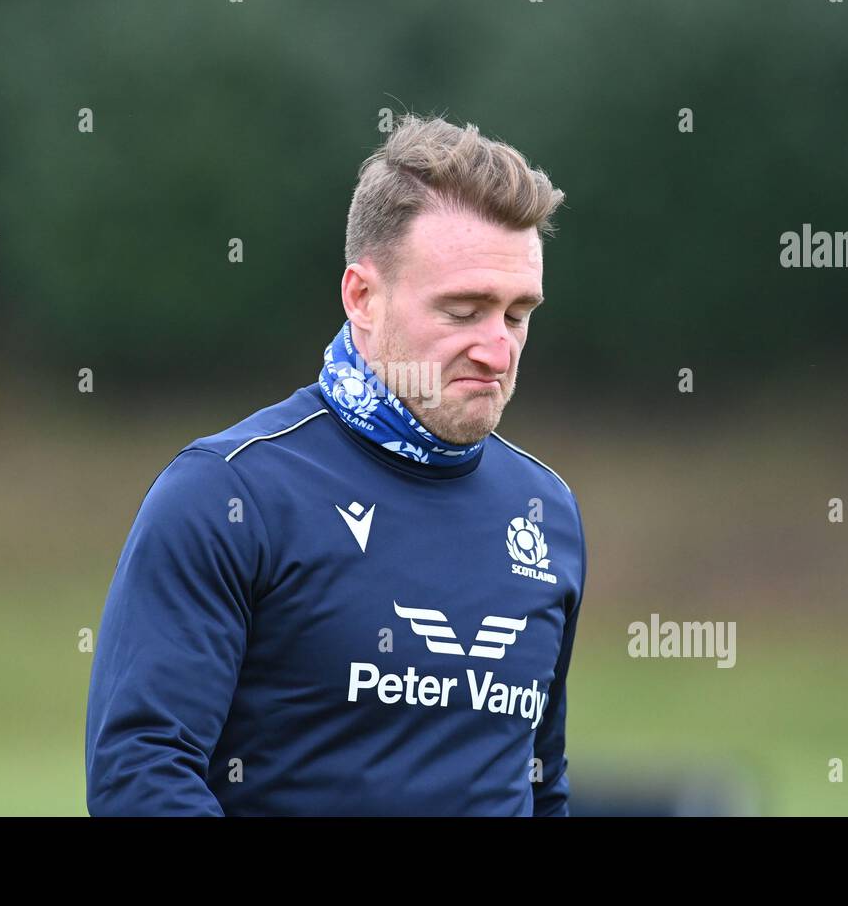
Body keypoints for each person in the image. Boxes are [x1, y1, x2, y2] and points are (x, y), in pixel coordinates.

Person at [85, 114, 586, 815]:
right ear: (362, 297)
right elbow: (141, 776)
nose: (497, 351)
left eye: (516, 315)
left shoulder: (546, 512)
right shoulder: (226, 494)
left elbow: (541, 785)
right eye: (463, 311)